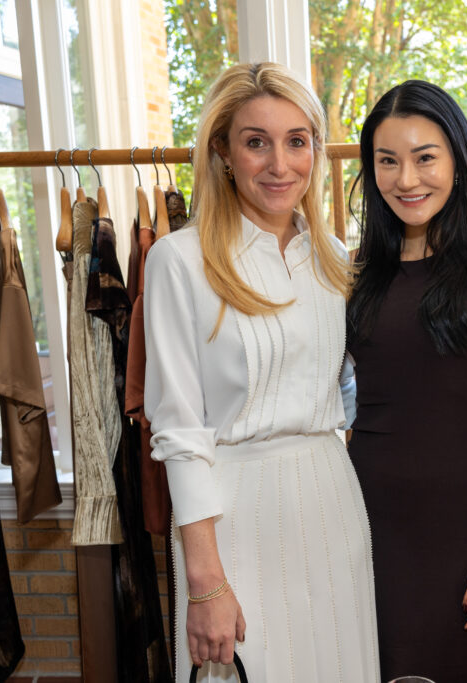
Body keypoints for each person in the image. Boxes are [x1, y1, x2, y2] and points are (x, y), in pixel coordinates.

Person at [144, 62, 378, 682]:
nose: (280, 164)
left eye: (296, 141)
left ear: (316, 151)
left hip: (331, 500)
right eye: (256, 142)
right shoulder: (179, 260)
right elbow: (177, 429)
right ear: (222, 151)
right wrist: (204, 582)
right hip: (234, 516)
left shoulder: (333, 261)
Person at [346, 80, 467, 682]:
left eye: (425, 157)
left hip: (457, 523)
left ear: (457, 159)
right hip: (360, 510)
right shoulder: (352, 272)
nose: (407, 179)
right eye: (388, 160)